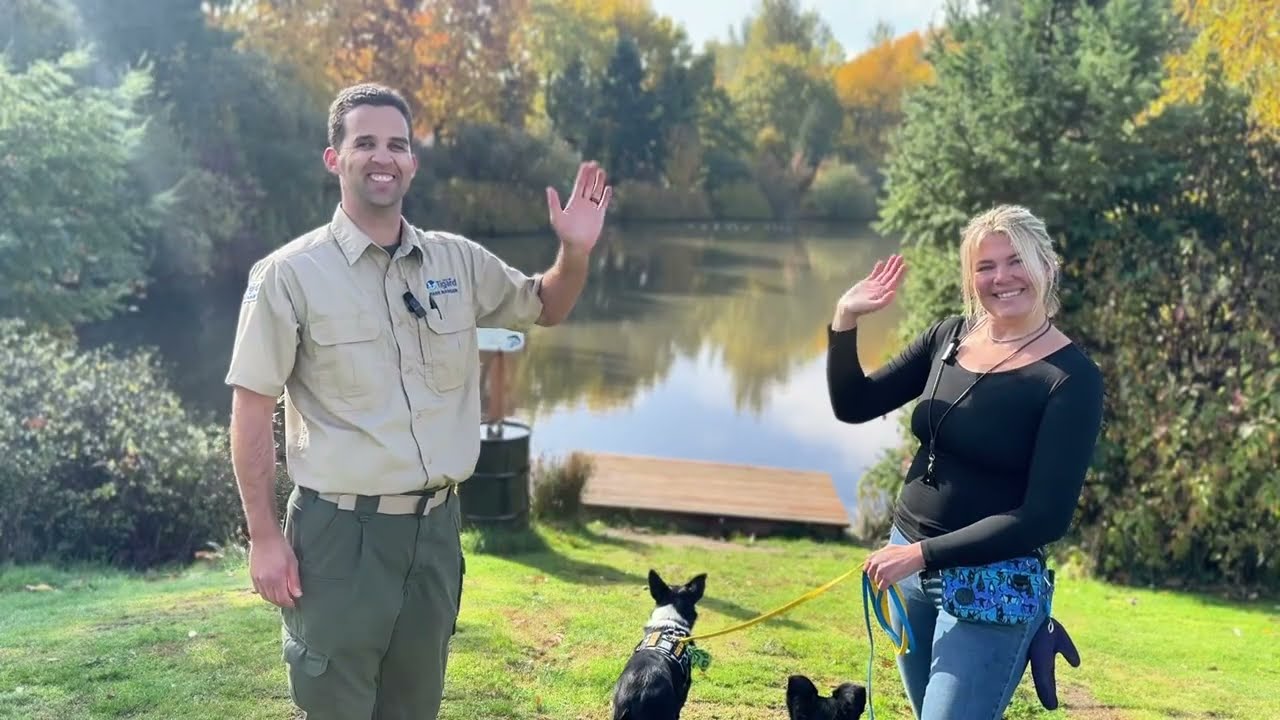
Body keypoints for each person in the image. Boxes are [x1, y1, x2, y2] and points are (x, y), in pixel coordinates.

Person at [224, 82, 612, 720]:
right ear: (335, 159)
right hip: (337, 537)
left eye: (398, 145)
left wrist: (574, 251)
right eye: (366, 143)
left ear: (413, 162)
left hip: (434, 532)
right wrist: (264, 537)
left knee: (415, 708)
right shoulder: (288, 275)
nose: (385, 157)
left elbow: (548, 304)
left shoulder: (456, 261)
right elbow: (249, 413)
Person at [826, 204, 1104, 720]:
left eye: (1015, 260)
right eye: (984, 266)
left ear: (1047, 263)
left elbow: (1045, 517)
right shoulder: (949, 338)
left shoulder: (1071, 380)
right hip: (905, 568)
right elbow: (854, 404)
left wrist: (923, 555)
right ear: (970, 277)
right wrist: (845, 320)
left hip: (987, 587)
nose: (1001, 277)